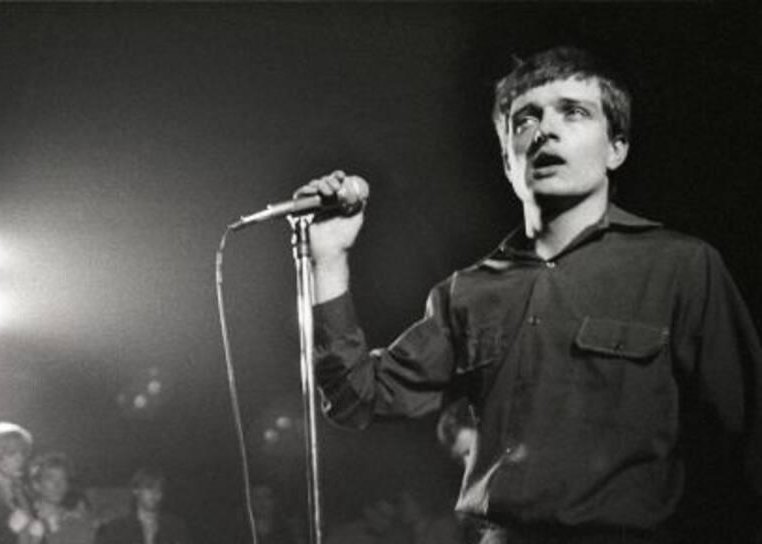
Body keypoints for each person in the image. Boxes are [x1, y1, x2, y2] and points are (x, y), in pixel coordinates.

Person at [301, 46, 762, 543]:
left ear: (617, 148)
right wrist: (328, 257)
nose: (544, 130)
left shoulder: (681, 266)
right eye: (525, 120)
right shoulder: (468, 292)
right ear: (507, 161)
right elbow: (354, 399)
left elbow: (750, 434)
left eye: (574, 112)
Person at [95, 468, 191, 544]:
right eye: (149, 488)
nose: (155, 494)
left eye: (159, 489)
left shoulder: (176, 528)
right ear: (136, 490)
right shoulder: (116, 528)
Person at [28, 452, 98, 544]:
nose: (58, 485)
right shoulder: (24, 519)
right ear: (36, 484)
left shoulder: (76, 521)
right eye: (50, 478)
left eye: (63, 479)